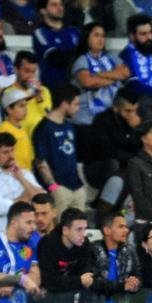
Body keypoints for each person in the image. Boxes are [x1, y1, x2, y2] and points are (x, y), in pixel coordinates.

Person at [33, 83, 86, 215]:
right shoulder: (43, 128)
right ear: (64, 104)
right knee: (59, 230)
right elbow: (40, 162)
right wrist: (53, 187)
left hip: (77, 187)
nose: (78, 108)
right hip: (60, 189)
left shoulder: (68, 125)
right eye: (76, 104)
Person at [0, 132, 44, 235]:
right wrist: (26, 197)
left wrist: (22, 179)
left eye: (12, 150)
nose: (11, 155)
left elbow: (42, 199)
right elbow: (0, 208)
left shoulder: (23, 173)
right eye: (5, 152)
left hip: (26, 235)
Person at [71, 22, 130, 127]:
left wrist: (98, 75)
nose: (101, 39)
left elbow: (125, 73)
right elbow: (88, 82)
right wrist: (114, 76)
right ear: (86, 38)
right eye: (96, 35)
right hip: (88, 120)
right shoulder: (81, 60)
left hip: (112, 116)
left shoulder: (112, 57)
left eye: (103, 36)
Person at [32, 0, 80, 89]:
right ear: (43, 10)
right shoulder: (40, 32)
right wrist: (78, 52)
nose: (60, 8)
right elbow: (54, 58)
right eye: (54, 5)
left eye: (61, 4)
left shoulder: (74, 31)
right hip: (53, 88)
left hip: (76, 87)